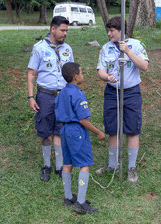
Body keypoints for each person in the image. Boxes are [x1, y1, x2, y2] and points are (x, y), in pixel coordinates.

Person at [96, 16, 149, 182]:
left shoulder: (136, 45)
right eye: (108, 31)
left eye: (112, 31)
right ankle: (112, 165)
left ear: (122, 31)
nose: (109, 34)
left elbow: (144, 66)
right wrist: (106, 77)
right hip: (112, 93)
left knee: (132, 129)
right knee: (112, 128)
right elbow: (101, 71)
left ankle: (131, 169)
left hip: (131, 92)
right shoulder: (106, 48)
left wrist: (128, 51)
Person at [27, 16, 74, 182]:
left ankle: (59, 166)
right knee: (45, 131)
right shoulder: (39, 48)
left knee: (59, 130)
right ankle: (47, 165)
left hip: (63, 96)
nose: (65, 33)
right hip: (45, 95)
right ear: (53, 29)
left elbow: (72, 74)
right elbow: (31, 73)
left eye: (66, 30)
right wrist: (31, 97)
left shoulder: (67, 49)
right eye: (62, 30)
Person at [55, 62, 105, 214]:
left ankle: (68, 197)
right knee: (85, 164)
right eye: (82, 73)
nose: (83, 75)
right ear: (76, 77)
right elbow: (83, 120)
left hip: (63, 130)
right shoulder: (77, 94)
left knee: (67, 163)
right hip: (76, 130)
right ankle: (81, 203)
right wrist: (98, 132)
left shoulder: (61, 93)